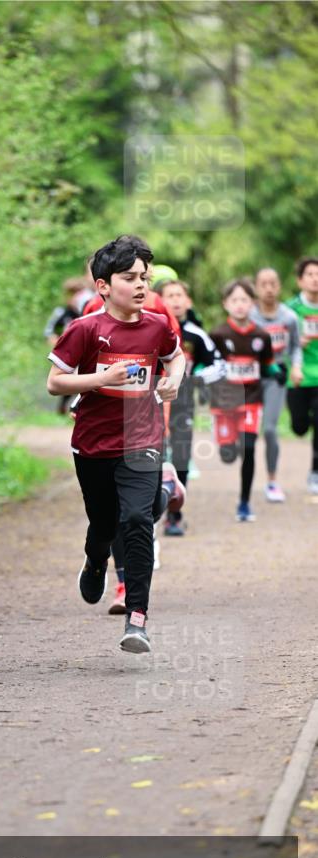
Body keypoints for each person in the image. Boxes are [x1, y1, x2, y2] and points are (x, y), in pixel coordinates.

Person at [47, 235, 185, 653]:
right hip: (92, 443)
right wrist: (100, 380)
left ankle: (137, 618)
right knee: (104, 524)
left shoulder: (158, 326)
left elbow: (174, 356)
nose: (142, 285)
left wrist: (174, 379)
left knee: (138, 522)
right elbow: (55, 382)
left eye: (145, 277)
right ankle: (95, 560)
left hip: (142, 437)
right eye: (130, 277)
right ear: (104, 285)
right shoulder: (85, 329)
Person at [209, 278, 282, 522]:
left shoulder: (262, 336)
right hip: (224, 402)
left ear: (253, 304)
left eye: (245, 300)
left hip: (252, 399)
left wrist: (277, 374)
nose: (240, 305)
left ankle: (244, 502)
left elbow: (267, 365)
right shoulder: (217, 334)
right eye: (234, 300)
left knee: (249, 449)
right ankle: (226, 445)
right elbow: (207, 364)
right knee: (229, 453)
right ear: (225, 304)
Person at [160, 279, 226, 535]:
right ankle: (148, 509)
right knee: (147, 455)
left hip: (182, 403)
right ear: (159, 301)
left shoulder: (196, 335)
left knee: (181, 455)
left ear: (188, 301)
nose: (175, 300)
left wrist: (195, 378)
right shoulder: (152, 328)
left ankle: (175, 514)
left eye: (180, 295)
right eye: (169, 296)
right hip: (150, 403)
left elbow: (218, 365)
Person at [249, 268, 302, 502]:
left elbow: (296, 347)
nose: (269, 289)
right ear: (256, 288)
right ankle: (246, 478)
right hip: (250, 378)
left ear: (279, 287)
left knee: (270, 430)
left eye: (273, 284)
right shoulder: (249, 317)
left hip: (276, 378)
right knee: (246, 435)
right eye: (264, 284)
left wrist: (297, 367)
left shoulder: (289, 317)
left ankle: (272, 481)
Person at [285, 256, 318, 495]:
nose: (315, 279)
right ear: (300, 280)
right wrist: (297, 342)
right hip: (297, 376)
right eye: (310, 274)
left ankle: (315, 472)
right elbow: (277, 342)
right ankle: (299, 423)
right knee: (299, 427)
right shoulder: (290, 310)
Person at [44, 278, 93, 413]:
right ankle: (64, 406)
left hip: (83, 352)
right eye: (72, 294)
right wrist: (57, 344)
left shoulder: (86, 310)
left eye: (78, 294)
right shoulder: (62, 313)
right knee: (67, 377)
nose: (75, 298)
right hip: (66, 353)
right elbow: (49, 331)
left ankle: (76, 406)